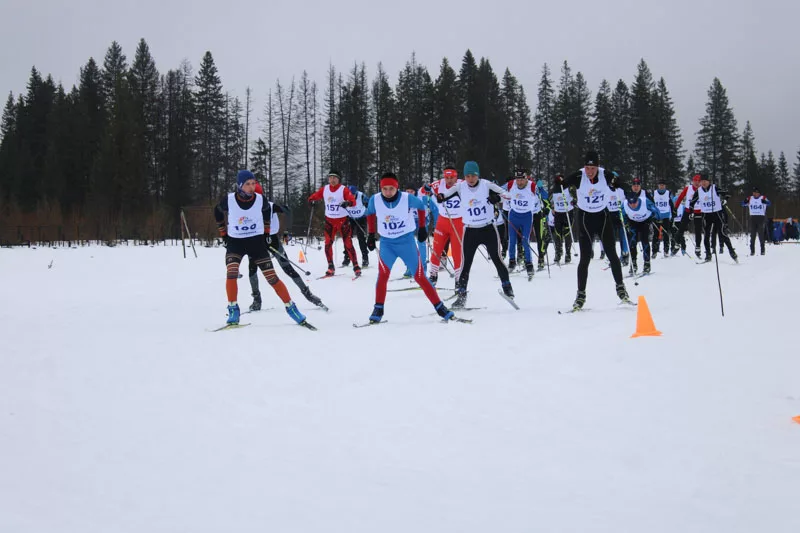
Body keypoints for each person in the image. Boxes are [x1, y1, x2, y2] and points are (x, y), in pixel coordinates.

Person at [214, 170, 308, 326]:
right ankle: (233, 309)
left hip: (256, 242)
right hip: (235, 243)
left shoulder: (260, 200)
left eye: (253, 184)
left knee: (272, 277)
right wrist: (223, 234)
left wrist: (266, 234)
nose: (251, 187)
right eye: (247, 184)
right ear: (239, 186)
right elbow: (217, 212)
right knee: (232, 273)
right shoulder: (229, 200)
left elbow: (266, 212)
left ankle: (291, 308)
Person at [364, 172, 454, 323]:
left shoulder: (407, 198)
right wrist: (371, 235)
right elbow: (371, 214)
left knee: (419, 276)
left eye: (391, 188)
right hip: (387, 243)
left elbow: (420, 207)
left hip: (406, 242)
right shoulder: (375, 199)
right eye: (384, 189)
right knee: (383, 275)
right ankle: (378, 308)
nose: (387, 192)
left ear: (397, 187)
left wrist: (422, 228)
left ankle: (440, 307)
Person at [560, 151, 630, 311]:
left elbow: (621, 184)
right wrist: (558, 183)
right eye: (587, 167)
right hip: (585, 219)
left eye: (592, 168)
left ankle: (621, 289)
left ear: (597, 166)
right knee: (584, 259)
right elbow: (561, 185)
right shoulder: (579, 176)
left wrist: (628, 192)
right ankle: (580, 295)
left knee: (612, 254)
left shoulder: (606, 175)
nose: (589, 171)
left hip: (603, 217)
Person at [437, 161, 513, 309]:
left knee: (497, 259)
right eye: (467, 176)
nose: (470, 179)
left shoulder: (486, 185)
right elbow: (444, 195)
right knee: (466, 264)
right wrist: (440, 196)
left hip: (488, 229)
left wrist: (497, 198)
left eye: (473, 176)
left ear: (478, 175)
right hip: (470, 230)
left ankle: (508, 288)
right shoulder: (460, 186)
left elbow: (508, 195)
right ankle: (461, 296)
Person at [248, 183, 327, 312]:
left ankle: (308, 294)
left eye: (255, 195)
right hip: (256, 242)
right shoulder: (246, 207)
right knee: (252, 269)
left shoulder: (270, 205)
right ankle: (257, 300)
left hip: (272, 240)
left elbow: (288, 211)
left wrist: (287, 231)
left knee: (287, 268)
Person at [307, 170, 361, 277]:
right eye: (330, 177)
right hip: (330, 221)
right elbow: (314, 196)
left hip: (343, 221)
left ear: (338, 179)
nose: (332, 180)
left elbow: (353, 201)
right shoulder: (325, 189)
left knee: (348, 243)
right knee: (327, 244)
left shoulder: (343, 189)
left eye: (334, 178)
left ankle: (356, 266)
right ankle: (330, 266)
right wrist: (311, 200)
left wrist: (348, 203)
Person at [426, 165, 464, 287]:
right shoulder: (438, 184)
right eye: (447, 177)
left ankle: (459, 279)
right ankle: (433, 275)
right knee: (436, 248)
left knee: (457, 252)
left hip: (458, 222)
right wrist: (426, 190)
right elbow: (423, 191)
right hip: (443, 221)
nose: (449, 180)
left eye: (452, 177)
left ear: (456, 177)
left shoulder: (462, 184)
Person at [691, 174, 737, 262]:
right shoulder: (699, 191)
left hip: (717, 214)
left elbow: (727, 194)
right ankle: (708, 255)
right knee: (706, 236)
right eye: (702, 181)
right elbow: (692, 202)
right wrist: (691, 211)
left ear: (709, 182)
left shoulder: (714, 188)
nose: (703, 183)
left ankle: (732, 252)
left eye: (705, 181)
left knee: (723, 234)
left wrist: (725, 200)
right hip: (706, 215)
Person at [505, 168, 540, 279]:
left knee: (525, 240)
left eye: (522, 180)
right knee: (512, 240)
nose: (519, 182)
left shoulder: (532, 186)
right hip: (514, 215)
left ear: (526, 178)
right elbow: (499, 190)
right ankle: (511, 262)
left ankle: (529, 264)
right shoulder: (511, 184)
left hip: (527, 216)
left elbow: (543, 194)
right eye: (517, 180)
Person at [622, 181, 660, 275]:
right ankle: (633, 264)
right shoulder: (625, 204)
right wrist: (626, 223)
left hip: (645, 222)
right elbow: (623, 215)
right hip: (633, 222)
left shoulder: (645, 201)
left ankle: (647, 264)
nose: (633, 205)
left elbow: (656, 211)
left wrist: (655, 218)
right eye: (630, 203)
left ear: (637, 199)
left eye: (634, 202)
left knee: (645, 241)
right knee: (632, 242)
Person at [403, 187, 439, 277]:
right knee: (408, 246)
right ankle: (410, 268)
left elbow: (435, 210)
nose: (410, 193)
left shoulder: (423, 198)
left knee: (421, 244)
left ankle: (422, 268)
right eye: (408, 191)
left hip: (422, 223)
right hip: (409, 223)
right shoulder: (403, 199)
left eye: (411, 191)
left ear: (415, 192)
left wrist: (436, 225)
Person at [674, 173, 705, 258]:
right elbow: (680, 197)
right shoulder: (688, 188)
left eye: (699, 181)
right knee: (681, 228)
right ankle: (677, 243)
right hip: (688, 210)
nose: (697, 183)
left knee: (698, 230)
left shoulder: (703, 189)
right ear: (692, 181)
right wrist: (675, 208)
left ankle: (698, 247)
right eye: (695, 181)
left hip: (698, 211)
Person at [600, 181, 630, 265]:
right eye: (611, 182)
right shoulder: (605, 189)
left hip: (620, 214)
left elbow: (629, 200)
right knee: (611, 238)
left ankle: (624, 255)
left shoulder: (621, 189)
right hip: (610, 215)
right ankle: (613, 258)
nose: (612, 183)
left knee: (623, 236)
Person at [341, 185, 370, 268]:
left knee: (361, 238)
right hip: (350, 218)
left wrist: (367, 207)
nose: (351, 196)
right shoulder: (344, 196)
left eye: (353, 194)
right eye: (349, 194)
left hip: (361, 218)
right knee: (347, 238)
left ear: (356, 193)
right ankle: (347, 258)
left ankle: (365, 259)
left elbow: (370, 205)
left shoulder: (362, 196)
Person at [549, 174, 574, 264]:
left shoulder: (569, 188)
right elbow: (549, 200)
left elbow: (576, 197)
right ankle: (558, 253)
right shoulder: (553, 190)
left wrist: (574, 201)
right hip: (558, 213)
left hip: (568, 212)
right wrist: (552, 207)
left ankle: (568, 253)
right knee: (557, 233)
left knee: (567, 233)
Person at [742, 187, 770, 255]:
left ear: (759, 193)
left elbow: (769, 203)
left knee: (761, 234)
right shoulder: (750, 198)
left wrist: (765, 202)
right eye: (754, 192)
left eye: (756, 193)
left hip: (760, 217)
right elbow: (742, 203)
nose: (755, 194)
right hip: (753, 217)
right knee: (753, 235)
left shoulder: (763, 198)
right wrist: (744, 202)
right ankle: (752, 251)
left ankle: (762, 250)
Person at [651, 178, 674, 259]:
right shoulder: (654, 193)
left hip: (666, 216)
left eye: (663, 185)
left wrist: (673, 213)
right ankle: (654, 251)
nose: (661, 186)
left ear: (665, 186)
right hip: (656, 216)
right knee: (656, 234)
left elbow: (671, 204)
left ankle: (666, 250)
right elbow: (651, 204)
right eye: (660, 185)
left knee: (666, 233)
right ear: (658, 185)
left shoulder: (668, 193)